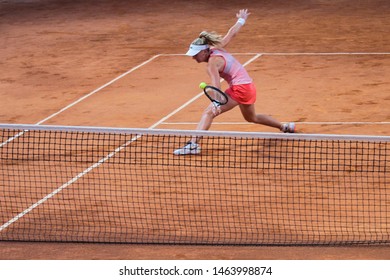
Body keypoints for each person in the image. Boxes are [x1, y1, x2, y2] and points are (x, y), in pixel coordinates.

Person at [174, 9, 295, 155]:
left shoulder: (212, 63)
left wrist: (216, 103)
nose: (193, 58)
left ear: (205, 51)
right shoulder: (216, 48)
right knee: (252, 118)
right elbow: (231, 34)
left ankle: (192, 145)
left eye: (195, 54)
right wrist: (241, 20)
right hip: (248, 86)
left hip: (240, 88)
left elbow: (216, 86)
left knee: (208, 113)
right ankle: (285, 127)